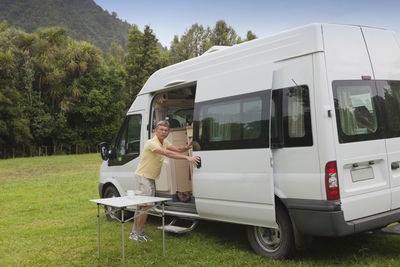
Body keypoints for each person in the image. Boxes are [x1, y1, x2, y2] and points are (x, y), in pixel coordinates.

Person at [129, 120, 200, 242]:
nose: (163, 132)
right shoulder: (151, 143)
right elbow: (167, 153)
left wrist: (186, 147)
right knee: (145, 206)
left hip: (147, 177)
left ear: (168, 132)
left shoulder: (164, 141)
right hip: (143, 177)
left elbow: (177, 148)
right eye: (161, 130)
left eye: (166, 130)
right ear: (156, 131)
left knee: (142, 206)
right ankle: (137, 233)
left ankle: (135, 232)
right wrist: (187, 157)